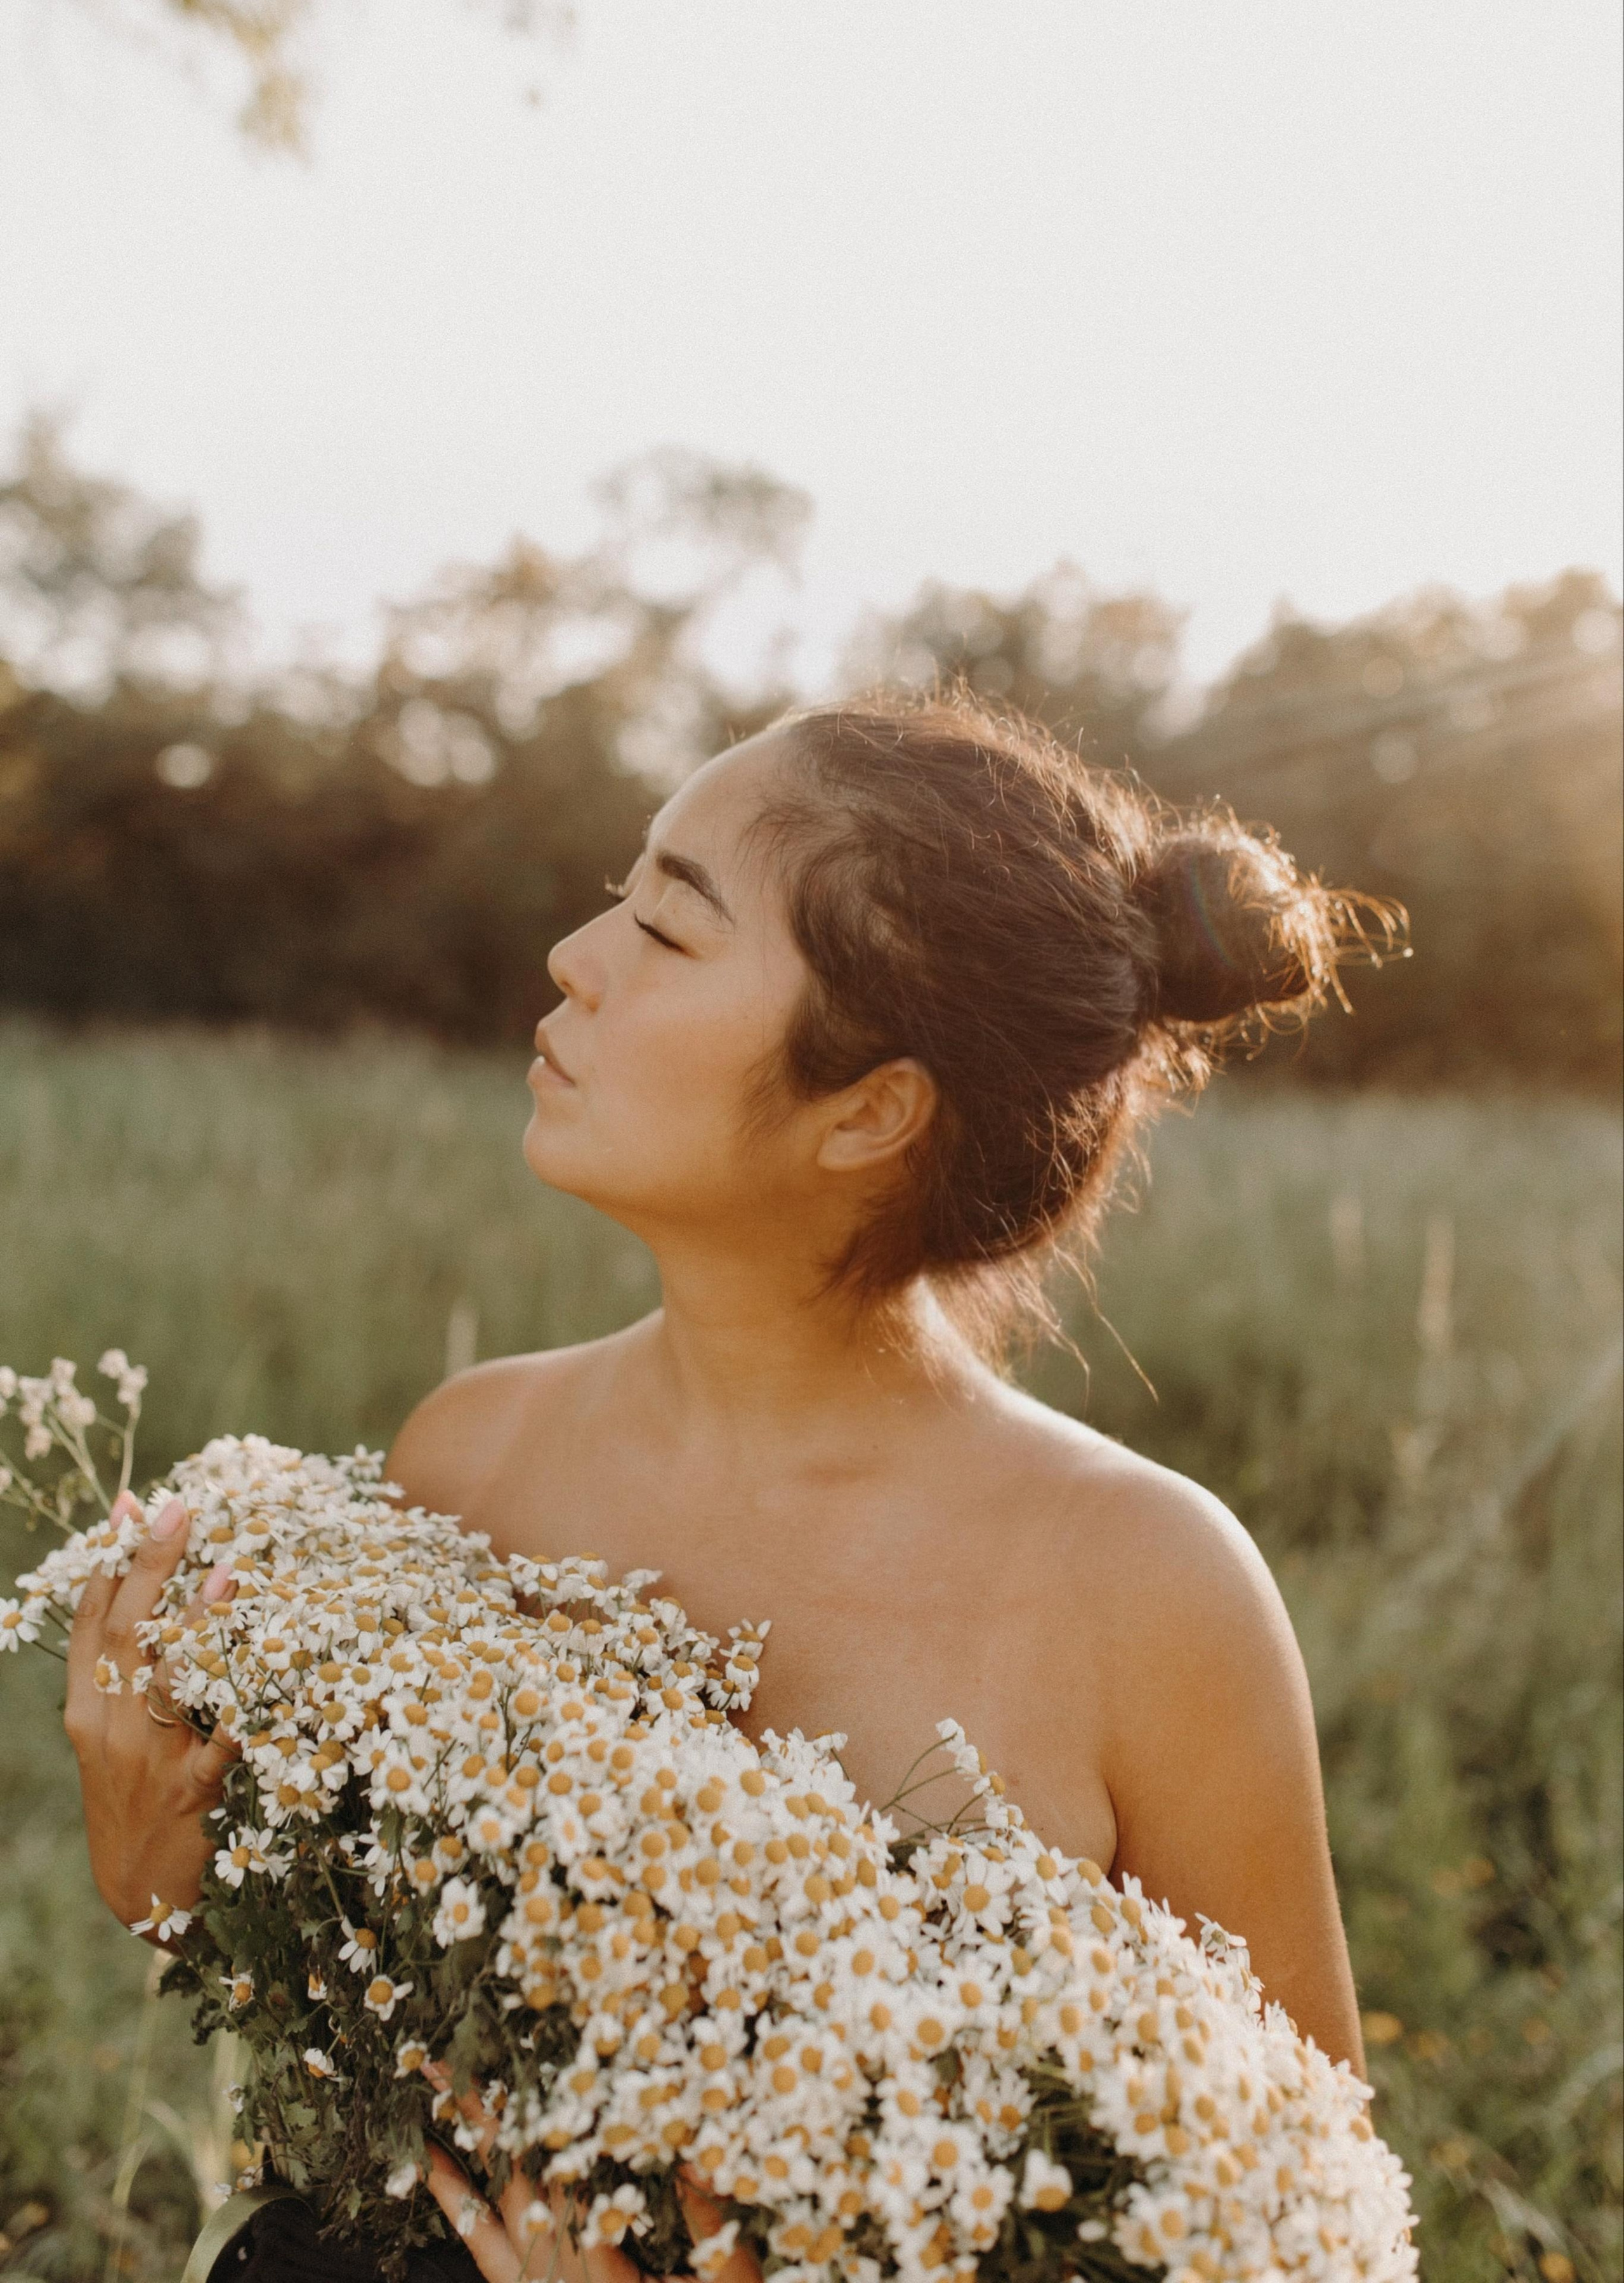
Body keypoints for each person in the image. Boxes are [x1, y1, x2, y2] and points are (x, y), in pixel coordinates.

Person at [67, 691, 1376, 2283]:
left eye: (669, 931)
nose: (575, 954)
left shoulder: (1148, 1587)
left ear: (870, 1108)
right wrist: (169, 1890)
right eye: (622, 889)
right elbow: (372, 2069)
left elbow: (1302, 2237)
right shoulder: (470, 1456)